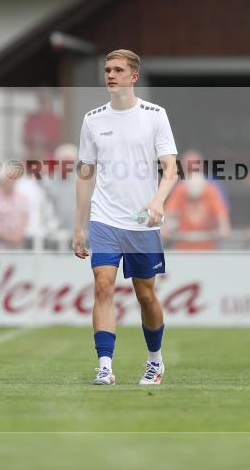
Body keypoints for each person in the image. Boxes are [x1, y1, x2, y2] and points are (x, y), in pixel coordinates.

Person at [72, 49, 179, 386]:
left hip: (141, 221)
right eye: (107, 69)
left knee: (145, 295)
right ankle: (105, 366)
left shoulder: (155, 115)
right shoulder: (92, 119)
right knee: (103, 285)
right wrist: (79, 226)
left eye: (118, 70)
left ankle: (155, 361)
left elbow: (171, 168)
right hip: (104, 219)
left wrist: (158, 201)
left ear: (134, 76)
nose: (110, 75)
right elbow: (85, 174)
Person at [163, 172, 229, 250]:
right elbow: (169, 210)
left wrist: (224, 227)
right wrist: (164, 227)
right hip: (184, 245)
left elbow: (221, 212)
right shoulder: (181, 190)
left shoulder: (211, 191)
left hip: (207, 246)